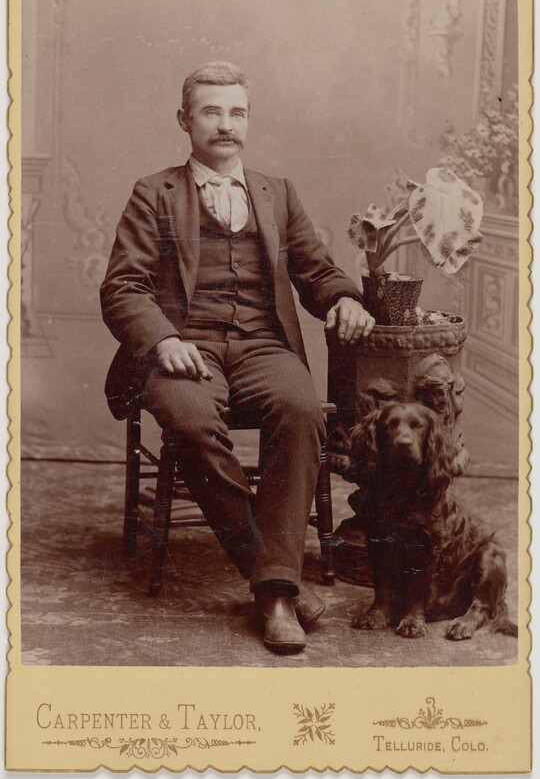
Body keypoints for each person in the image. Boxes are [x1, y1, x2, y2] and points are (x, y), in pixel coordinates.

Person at [101, 61, 375, 654]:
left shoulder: (278, 192)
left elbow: (317, 269)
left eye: (237, 112)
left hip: (261, 343)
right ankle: (278, 588)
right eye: (211, 111)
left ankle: (271, 581)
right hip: (183, 348)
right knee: (194, 425)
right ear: (185, 120)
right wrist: (164, 340)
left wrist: (346, 299)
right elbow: (123, 286)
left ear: (247, 120)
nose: (226, 124)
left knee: (303, 411)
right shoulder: (155, 191)